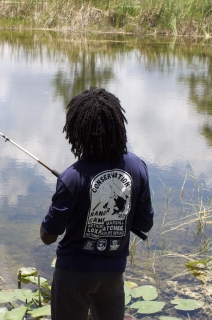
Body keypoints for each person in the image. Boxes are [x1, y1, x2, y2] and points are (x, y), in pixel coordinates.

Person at [40, 87, 154, 320]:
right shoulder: (137, 167)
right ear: (117, 126)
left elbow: (48, 236)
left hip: (73, 274)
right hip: (113, 272)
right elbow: (145, 222)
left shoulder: (72, 177)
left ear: (77, 132)